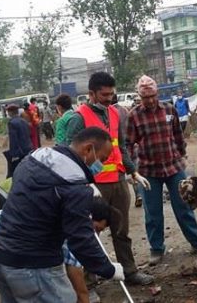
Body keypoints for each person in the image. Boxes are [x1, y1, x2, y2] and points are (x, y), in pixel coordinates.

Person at [0, 127, 124, 303]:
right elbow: (80, 238)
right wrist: (108, 269)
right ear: (88, 149)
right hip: (34, 267)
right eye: (102, 159)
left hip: (0, 259)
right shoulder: (73, 186)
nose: (102, 165)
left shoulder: (33, 159)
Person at [64, 72, 154, 286]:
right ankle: (88, 281)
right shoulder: (79, 118)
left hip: (118, 180)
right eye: (104, 95)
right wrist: (87, 181)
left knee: (121, 229)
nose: (109, 98)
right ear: (91, 94)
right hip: (94, 185)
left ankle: (129, 271)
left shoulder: (115, 113)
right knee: (89, 233)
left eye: (111, 94)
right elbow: (70, 154)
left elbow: (120, 146)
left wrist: (133, 171)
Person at [0, 197, 112, 303]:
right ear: (89, 217)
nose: (95, 235)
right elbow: (79, 285)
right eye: (96, 229)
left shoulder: (63, 203)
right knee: (28, 294)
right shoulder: (72, 226)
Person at [127, 75, 197, 266]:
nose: (150, 100)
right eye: (146, 97)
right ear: (140, 96)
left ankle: (196, 242)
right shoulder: (133, 115)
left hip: (173, 166)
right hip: (148, 171)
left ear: (157, 93)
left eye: (153, 95)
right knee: (152, 212)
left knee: (184, 206)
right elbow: (127, 144)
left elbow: (178, 134)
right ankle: (156, 248)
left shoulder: (169, 109)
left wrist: (182, 154)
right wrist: (130, 170)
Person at [4, 105, 33, 178]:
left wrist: (14, 154)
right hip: (28, 148)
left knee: (13, 173)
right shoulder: (24, 121)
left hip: (19, 151)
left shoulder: (12, 123)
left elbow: (13, 140)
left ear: (10, 113)